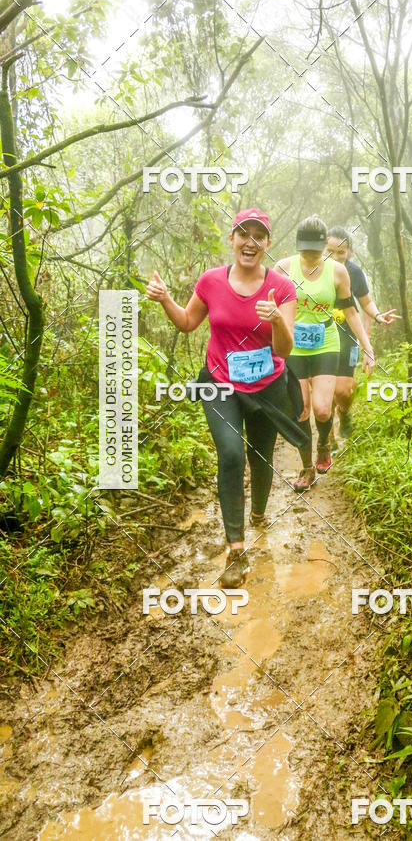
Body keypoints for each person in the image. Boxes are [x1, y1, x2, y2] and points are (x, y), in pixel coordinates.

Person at [145, 208, 306, 589]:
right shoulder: (211, 281)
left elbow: (285, 349)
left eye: (258, 236)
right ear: (231, 239)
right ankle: (236, 549)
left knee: (260, 457)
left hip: (267, 386)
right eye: (243, 234)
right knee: (231, 454)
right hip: (220, 384)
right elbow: (187, 323)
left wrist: (276, 320)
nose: (250, 242)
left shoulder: (282, 288)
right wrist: (165, 299)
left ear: (267, 243)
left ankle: (260, 512)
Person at [274, 215, 375, 492]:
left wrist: (367, 347)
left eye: (315, 251)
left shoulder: (338, 272)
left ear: (323, 247)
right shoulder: (283, 268)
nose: (310, 256)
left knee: (321, 408)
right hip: (294, 346)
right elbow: (269, 306)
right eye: (305, 250)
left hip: (326, 344)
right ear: (298, 246)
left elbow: (351, 311)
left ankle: (324, 444)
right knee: (301, 411)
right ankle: (306, 467)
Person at [325, 226, 399, 442]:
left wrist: (378, 316)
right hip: (321, 338)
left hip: (347, 337)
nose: (335, 257)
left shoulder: (354, 273)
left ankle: (344, 412)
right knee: (325, 391)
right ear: (322, 249)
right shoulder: (315, 270)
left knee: (343, 391)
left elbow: (366, 302)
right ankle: (326, 440)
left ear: (349, 252)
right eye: (330, 251)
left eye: (341, 252)